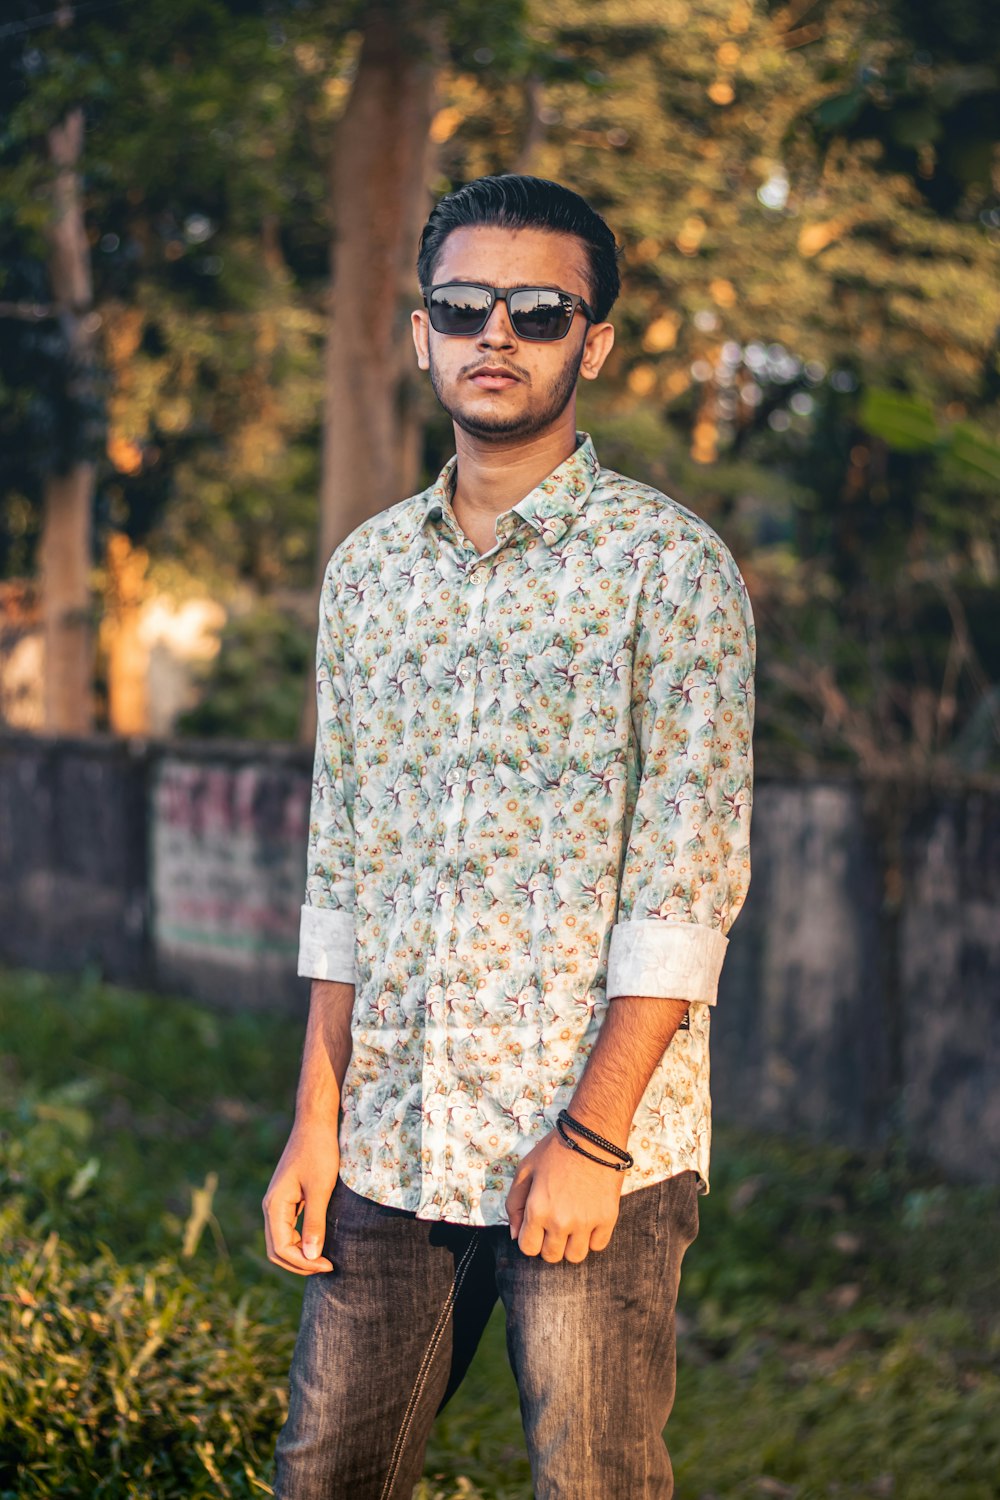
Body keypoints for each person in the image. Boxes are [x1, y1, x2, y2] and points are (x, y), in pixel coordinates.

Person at [265, 173, 756, 1500]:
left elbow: (688, 882)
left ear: (590, 343)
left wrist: (592, 1142)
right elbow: (343, 866)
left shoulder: (671, 568)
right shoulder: (368, 572)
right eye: (462, 306)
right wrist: (317, 1124)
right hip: (389, 1146)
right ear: (417, 333)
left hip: (590, 1154)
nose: (497, 336)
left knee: (591, 1484)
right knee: (323, 1479)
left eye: (538, 312)